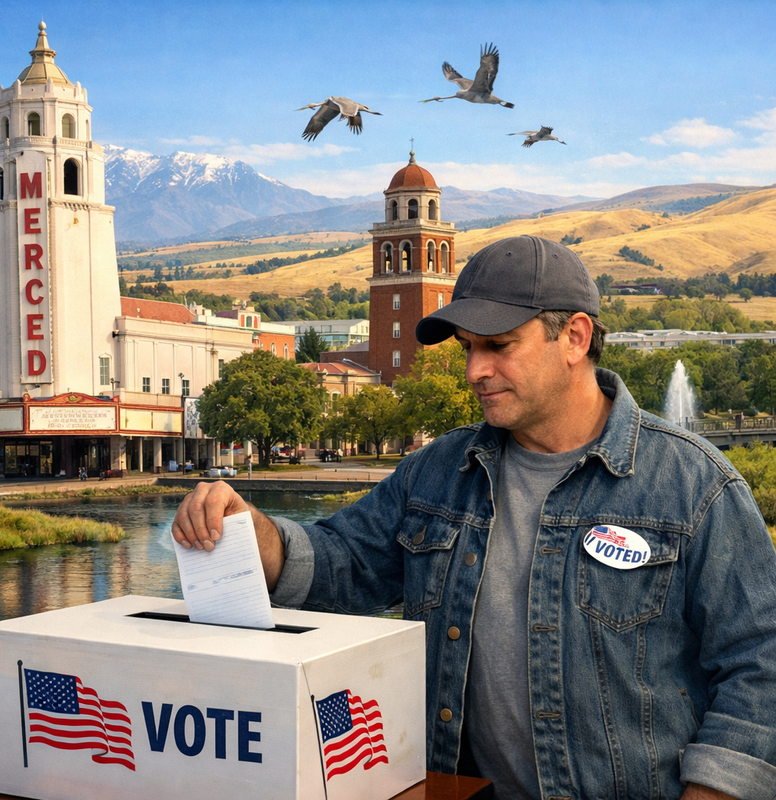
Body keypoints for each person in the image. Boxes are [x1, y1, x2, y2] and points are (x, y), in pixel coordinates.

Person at [172, 236, 776, 800]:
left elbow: (760, 666)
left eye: (498, 346)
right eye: (468, 348)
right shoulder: (436, 472)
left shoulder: (695, 486)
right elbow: (343, 566)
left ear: (574, 337)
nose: (473, 371)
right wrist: (254, 530)